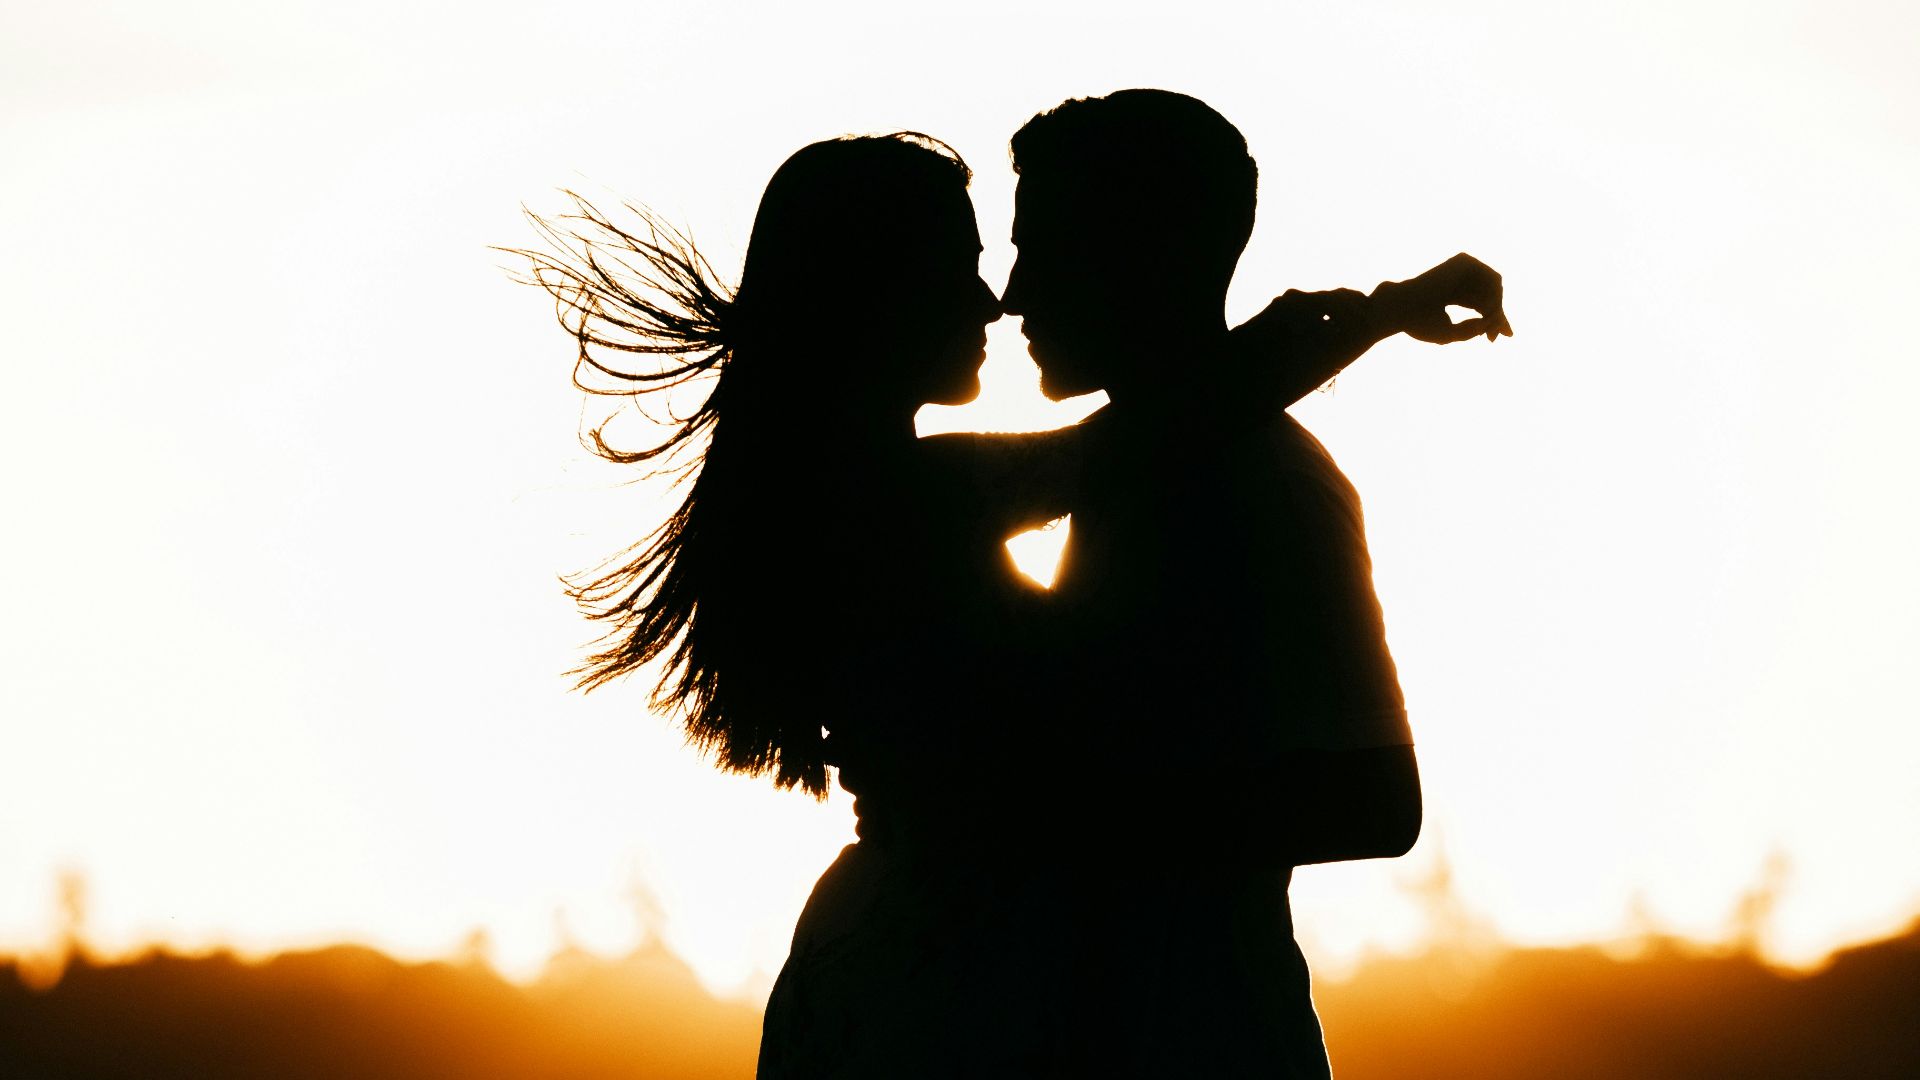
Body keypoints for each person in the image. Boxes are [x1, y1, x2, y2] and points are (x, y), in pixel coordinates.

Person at [509, 124, 1505, 1077]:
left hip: (921, 968)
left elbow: (1159, 432)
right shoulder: (904, 498)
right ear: (879, 297)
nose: (995, 302)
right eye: (961, 267)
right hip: (933, 992)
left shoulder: (857, 490)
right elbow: (1146, 438)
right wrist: (1376, 312)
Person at [995, 88, 1512, 1077]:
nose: (1016, 293)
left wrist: (1062, 813)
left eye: (1044, 247)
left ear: (1148, 254)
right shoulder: (1135, 466)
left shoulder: (1260, 480)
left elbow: (1373, 803)